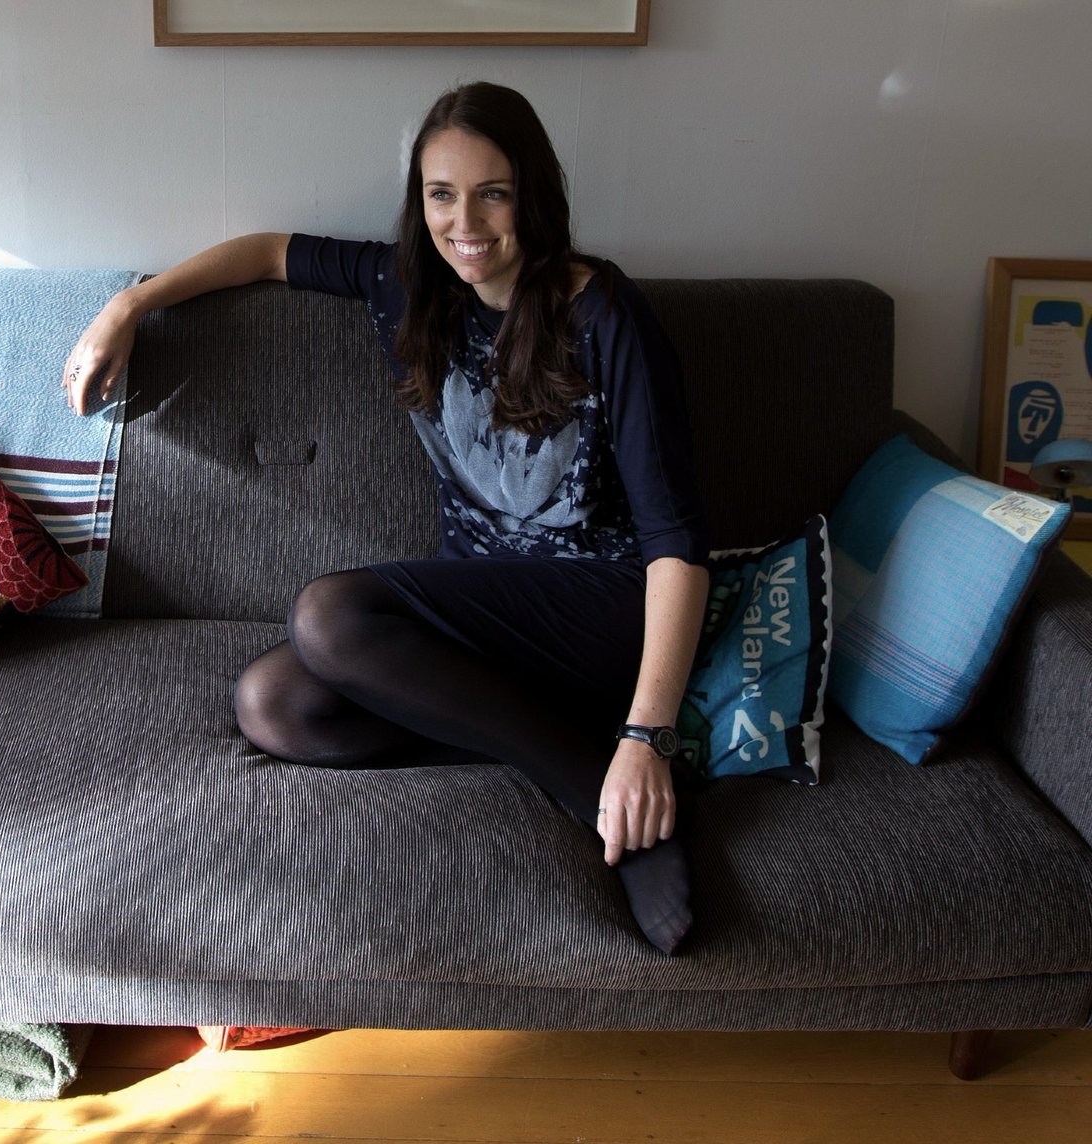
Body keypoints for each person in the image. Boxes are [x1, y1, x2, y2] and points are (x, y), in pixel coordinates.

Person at [64, 82, 710, 955]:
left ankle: (596, 783)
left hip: (600, 606)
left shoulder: (603, 314)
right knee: (277, 704)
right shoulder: (405, 286)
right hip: (485, 618)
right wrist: (130, 305)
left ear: (534, 196)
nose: (464, 222)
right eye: (442, 194)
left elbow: (676, 543)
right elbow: (266, 252)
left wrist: (648, 735)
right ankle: (553, 737)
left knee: (329, 612)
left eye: (493, 193)